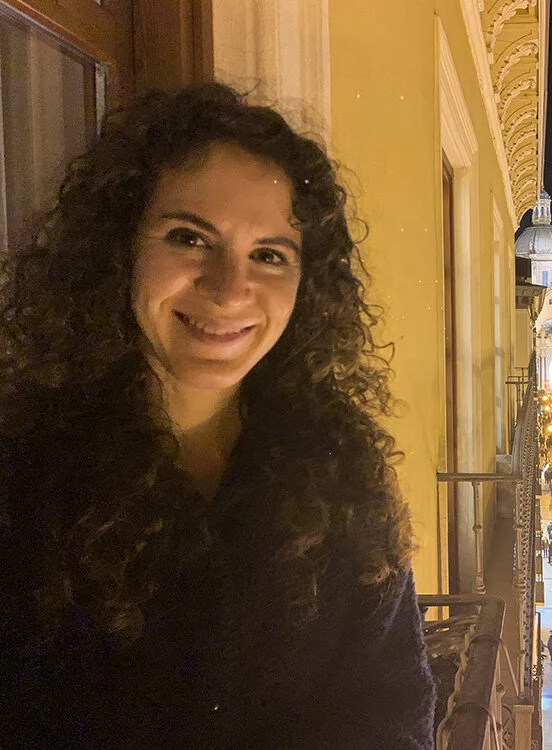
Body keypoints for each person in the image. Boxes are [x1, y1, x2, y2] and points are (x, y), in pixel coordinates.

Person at [0, 83, 435, 748]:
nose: (231, 288)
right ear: (120, 251)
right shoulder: (22, 478)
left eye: (269, 255)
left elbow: (390, 708)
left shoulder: (342, 472)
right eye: (188, 238)